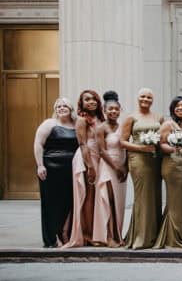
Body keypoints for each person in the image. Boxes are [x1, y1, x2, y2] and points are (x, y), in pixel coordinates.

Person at [120, 87, 163, 249]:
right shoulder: (131, 117)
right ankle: (140, 237)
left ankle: (154, 235)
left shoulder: (158, 117)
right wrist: (142, 148)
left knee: (154, 196)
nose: (146, 99)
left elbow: (163, 138)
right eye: (143, 97)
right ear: (138, 98)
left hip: (155, 159)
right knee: (142, 196)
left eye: (149, 97)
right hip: (138, 159)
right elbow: (122, 142)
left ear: (153, 100)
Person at [33, 98, 78, 247]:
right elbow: (38, 144)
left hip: (70, 169)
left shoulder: (76, 124)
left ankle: (65, 233)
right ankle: (51, 238)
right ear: (55, 109)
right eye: (58, 106)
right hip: (50, 169)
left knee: (68, 202)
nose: (61, 108)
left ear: (71, 109)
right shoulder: (49, 124)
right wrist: (40, 165)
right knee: (51, 204)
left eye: (65, 106)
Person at [64, 89, 105, 247]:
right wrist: (90, 167)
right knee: (87, 198)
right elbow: (82, 144)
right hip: (86, 159)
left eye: (94, 99)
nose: (92, 102)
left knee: (96, 198)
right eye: (87, 99)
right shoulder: (81, 120)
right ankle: (87, 235)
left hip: (98, 159)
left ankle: (95, 232)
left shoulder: (99, 119)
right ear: (81, 103)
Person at [155, 96, 182, 248]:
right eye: (177, 106)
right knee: (176, 202)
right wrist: (172, 148)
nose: (181, 108)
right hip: (173, 165)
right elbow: (160, 144)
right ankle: (174, 239)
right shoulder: (168, 124)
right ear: (173, 109)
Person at [92, 91, 127, 246]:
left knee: (119, 202)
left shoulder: (123, 127)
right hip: (108, 166)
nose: (113, 111)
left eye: (116, 109)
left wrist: (125, 167)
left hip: (122, 167)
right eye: (110, 109)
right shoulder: (101, 128)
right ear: (104, 111)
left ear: (120, 110)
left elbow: (126, 148)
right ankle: (109, 236)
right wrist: (116, 167)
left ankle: (119, 235)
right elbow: (101, 151)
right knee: (109, 200)